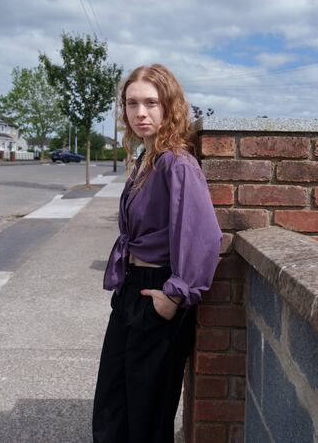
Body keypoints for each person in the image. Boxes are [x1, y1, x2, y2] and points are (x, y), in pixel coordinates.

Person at [92, 64, 222, 442]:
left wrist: (176, 294)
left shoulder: (177, 163)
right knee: (114, 401)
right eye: (132, 103)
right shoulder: (146, 160)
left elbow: (204, 237)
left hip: (159, 292)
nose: (140, 113)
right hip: (131, 289)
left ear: (169, 107)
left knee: (147, 412)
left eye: (151, 102)